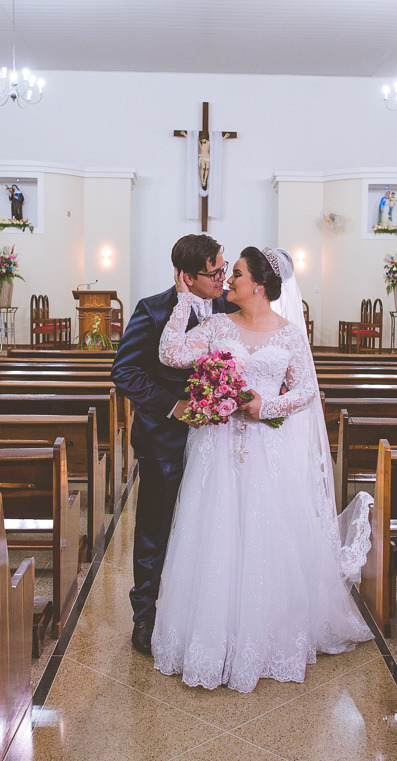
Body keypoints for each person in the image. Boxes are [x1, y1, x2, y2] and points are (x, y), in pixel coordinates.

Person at [151, 246, 374, 693]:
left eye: (235, 273)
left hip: (267, 449)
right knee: (214, 535)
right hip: (216, 448)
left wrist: (264, 405)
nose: (227, 280)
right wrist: (184, 301)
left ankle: (266, 638)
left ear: (258, 284)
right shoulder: (215, 325)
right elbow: (171, 354)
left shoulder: (290, 335)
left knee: (265, 537)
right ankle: (212, 637)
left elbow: (307, 391)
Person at [111, 234, 237, 656]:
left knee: (208, 526)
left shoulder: (229, 309)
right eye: (214, 272)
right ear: (187, 276)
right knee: (155, 527)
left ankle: (200, 611)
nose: (223, 278)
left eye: (224, 268)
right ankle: (144, 614)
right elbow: (125, 372)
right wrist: (173, 405)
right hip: (164, 439)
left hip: (217, 441)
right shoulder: (152, 310)